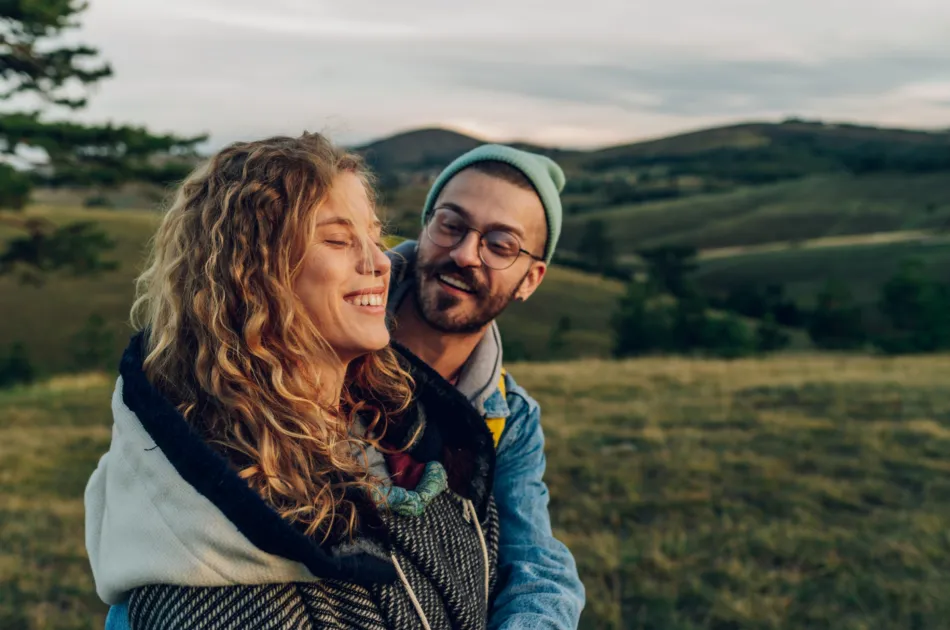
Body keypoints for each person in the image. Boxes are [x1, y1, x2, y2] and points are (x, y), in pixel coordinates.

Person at [85, 132, 503, 629]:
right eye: (338, 240)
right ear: (254, 274)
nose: (380, 261)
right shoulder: (209, 565)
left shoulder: (408, 426)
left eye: (374, 236)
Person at [386, 144, 586, 629]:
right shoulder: (319, 336)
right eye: (451, 224)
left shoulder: (509, 419)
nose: (463, 254)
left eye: (500, 245)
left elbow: (538, 569)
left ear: (530, 279)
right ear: (425, 225)